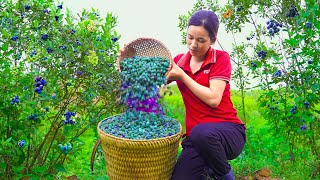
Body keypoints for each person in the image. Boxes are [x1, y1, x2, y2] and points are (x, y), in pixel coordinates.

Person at [166, 10, 246, 180]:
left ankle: (225, 176)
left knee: (201, 132)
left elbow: (213, 99)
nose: (193, 45)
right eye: (190, 37)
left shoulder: (220, 59)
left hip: (228, 133)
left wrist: (182, 76)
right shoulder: (179, 62)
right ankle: (207, 169)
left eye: (201, 40)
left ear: (213, 40)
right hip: (196, 141)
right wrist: (125, 64)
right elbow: (153, 79)